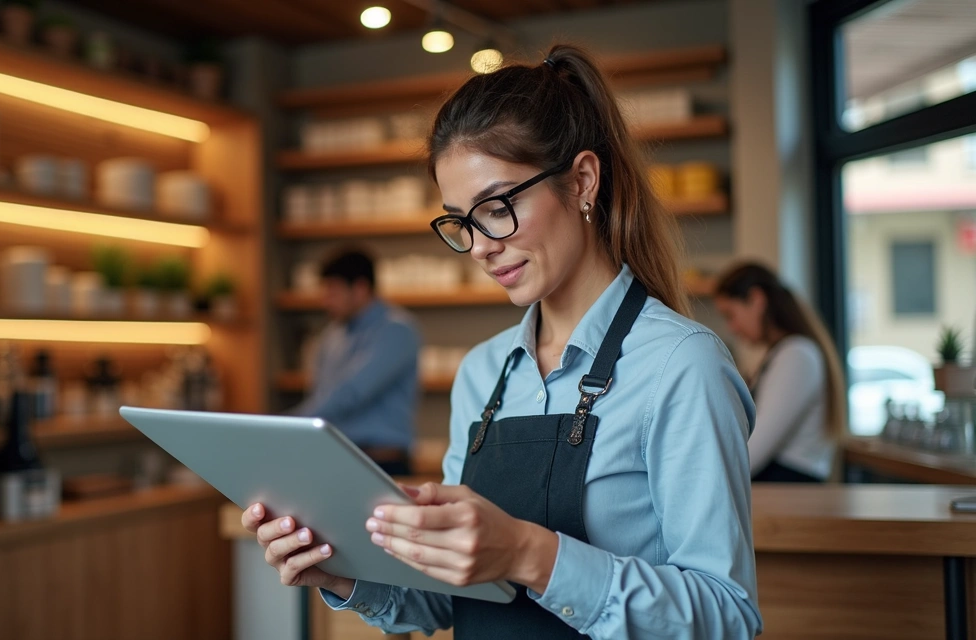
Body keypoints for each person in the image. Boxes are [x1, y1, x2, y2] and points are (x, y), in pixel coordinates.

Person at [243, 44, 763, 639]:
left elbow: (728, 618)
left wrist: (530, 553)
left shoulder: (681, 365)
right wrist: (340, 574)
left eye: (496, 207)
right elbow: (455, 598)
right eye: (462, 222)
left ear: (583, 181)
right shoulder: (484, 371)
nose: (481, 245)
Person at [289, 248, 422, 476]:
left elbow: (351, 393)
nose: (325, 300)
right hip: (334, 457)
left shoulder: (396, 330)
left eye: (333, 291)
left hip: (381, 463)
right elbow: (320, 392)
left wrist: (288, 424)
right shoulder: (331, 335)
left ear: (360, 289)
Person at [714, 262, 847, 483]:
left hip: (789, 494)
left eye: (730, 314)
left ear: (756, 299)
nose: (732, 328)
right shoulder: (785, 354)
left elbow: (754, 450)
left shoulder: (797, 356)